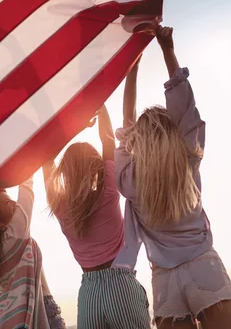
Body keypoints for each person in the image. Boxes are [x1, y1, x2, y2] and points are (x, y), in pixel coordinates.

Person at [113, 25, 231, 329]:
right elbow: (185, 106)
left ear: (138, 143)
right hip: (203, 267)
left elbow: (126, 123)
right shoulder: (187, 157)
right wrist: (167, 49)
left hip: (165, 280)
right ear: (172, 133)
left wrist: (132, 66)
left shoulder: (130, 180)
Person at [43, 104, 151, 329]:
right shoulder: (109, 190)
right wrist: (99, 107)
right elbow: (108, 140)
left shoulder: (59, 205)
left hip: (89, 294)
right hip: (121, 286)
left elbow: (46, 160)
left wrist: (68, 129)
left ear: (65, 171)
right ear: (96, 167)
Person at [0, 177, 66, 329]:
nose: (15, 203)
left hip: (10, 317)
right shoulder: (14, 235)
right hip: (39, 311)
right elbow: (27, 187)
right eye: (7, 202)